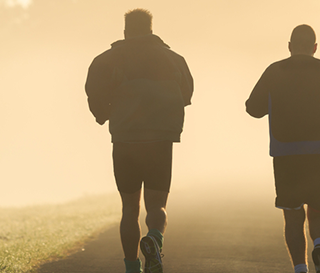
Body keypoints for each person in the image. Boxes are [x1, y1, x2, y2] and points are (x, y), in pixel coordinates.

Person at [85, 8, 193, 273]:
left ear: (125, 31)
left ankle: (132, 267)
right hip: (160, 140)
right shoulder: (174, 59)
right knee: (157, 205)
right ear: (151, 29)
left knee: (129, 207)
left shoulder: (106, 59)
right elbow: (187, 95)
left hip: (125, 141)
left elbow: (94, 95)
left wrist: (107, 115)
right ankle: (154, 238)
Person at [245, 24, 320, 273]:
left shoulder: (274, 71)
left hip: (285, 154)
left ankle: (301, 269)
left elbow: (253, 108)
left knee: (293, 217)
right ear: (315, 48)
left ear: (290, 46)